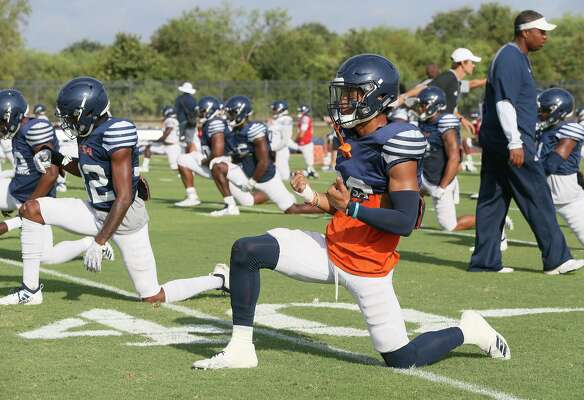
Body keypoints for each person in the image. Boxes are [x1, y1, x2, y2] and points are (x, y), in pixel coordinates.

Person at [193, 54, 510, 370]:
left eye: (352, 95)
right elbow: (343, 204)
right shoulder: (353, 139)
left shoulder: (397, 142)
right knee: (247, 251)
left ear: (377, 97)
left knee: (402, 359)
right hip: (331, 250)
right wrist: (312, 196)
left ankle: (470, 330)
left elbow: (403, 222)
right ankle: (241, 349)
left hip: (368, 267)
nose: (343, 102)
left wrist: (351, 207)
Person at [0, 77, 230, 305]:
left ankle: (219, 280)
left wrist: (100, 241)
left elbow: (124, 197)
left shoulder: (116, 132)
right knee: (32, 209)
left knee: (152, 295)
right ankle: (30, 291)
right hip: (95, 210)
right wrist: (55, 157)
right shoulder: (88, 132)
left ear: (90, 112)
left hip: (125, 220)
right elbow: (88, 169)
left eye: (72, 116)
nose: (68, 122)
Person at [469, 11, 584, 275]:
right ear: (525, 32)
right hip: (512, 142)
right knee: (538, 195)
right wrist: (515, 142)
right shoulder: (510, 57)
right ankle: (556, 259)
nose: (545, 37)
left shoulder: (516, 57)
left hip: (500, 142)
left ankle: (485, 261)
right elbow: (504, 102)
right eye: (541, 32)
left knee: (493, 201)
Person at [0, 89, 105, 273]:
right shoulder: (18, 129)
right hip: (15, 189)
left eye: (1, 121)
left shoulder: (35, 128)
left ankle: (88, 242)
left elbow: (51, 172)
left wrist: (29, 207)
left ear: (14, 115)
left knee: (45, 257)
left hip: (37, 199)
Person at [211, 96, 320, 216]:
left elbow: (264, 161)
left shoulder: (254, 131)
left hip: (265, 177)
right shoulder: (232, 133)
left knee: (291, 209)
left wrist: (252, 182)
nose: (228, 116)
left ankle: (331, 208)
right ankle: (230, 206)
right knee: (217, 165)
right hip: (244, 173)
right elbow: (233, 155)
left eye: (231, 113)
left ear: (241, 113)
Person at [415, 86, 475, 231]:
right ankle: (413, 220)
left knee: (449, 226)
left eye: (424, 105)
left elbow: (454, 158)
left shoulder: (445, 123)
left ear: (434, 105)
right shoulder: (423, 122)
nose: (421, 108)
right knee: (405, 196)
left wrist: (442, 187)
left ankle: (493, 219)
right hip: (424, 175)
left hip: (440, 180)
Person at [174, 95, 241, 216]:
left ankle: (231, 206)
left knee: (248, 200)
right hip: (217, 164)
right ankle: (192, 197)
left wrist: (204, 161)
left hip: (227, 167)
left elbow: (218, 153)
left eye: (202, 111)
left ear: (210, 110)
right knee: (183, 159)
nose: (200, 114)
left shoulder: (215, 123)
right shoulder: (209, 123)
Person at [536, 88, 584, 246]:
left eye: (544, 110)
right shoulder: (548, 128)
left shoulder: (570, 128)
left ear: (558, 110)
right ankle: (497, 239)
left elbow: (552, 163)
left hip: (562, 188)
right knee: (497, 205)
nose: (540, 114)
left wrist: (528, 174)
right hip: (545, 183)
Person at [140, 106, 182, 172]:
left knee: (175, 168)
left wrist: (155, 141)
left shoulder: (170, 120)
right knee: (148, 148)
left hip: (172, 147)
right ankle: (145, 167)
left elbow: (166, 133)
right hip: (164, 145)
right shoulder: (174, 120)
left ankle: (190, 171)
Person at [267, 100, 293, 180]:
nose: (273, 111)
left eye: (274, 109)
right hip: (272, 151)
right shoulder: (276, 120)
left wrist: (274, 149)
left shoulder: (286, 119)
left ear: (280, 109)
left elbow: (285, 140)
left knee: (283, 177)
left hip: (280, 151)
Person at [291, 104, 318, 178]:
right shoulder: (304, 118)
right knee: (309, 165)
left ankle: (309, 173)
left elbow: (302, 132)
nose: (299, 112)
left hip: (305, 143)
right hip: (303, 143)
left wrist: (295, 140)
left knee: (309, 165)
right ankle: (310, 173)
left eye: (300, 110)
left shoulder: (305, 118)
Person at [175, 82, 198, 153]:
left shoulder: (179, 99)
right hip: (191, 122)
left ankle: (180, 155)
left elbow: (176, 110)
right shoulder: (193, 100)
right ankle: (189, 155)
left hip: (181, 122)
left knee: (180, 141)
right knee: (190, 141)